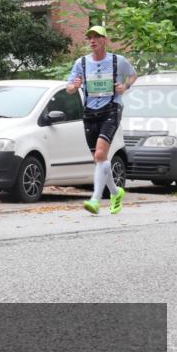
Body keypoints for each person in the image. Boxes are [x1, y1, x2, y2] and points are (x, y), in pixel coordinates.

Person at [65, 25, 136, 215]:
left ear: (105, 40)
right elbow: (69, 88)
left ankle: (95, 199)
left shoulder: (117, 60)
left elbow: (132, 75)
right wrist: (75, 85)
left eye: (97, 37)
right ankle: (115, 192)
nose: (92, 40)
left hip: (111, 109)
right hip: (89, 112)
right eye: (90, 37)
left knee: (99, 155)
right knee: (100, 160)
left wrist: (124, 86)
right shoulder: (81, 62)